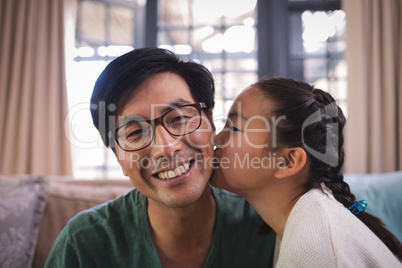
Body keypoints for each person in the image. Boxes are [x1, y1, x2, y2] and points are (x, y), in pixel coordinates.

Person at [45, 48, 276, 268]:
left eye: (179, 118)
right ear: (119, 158)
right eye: (135, 132)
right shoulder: (82, 245)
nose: (166, 147)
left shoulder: (266, 223)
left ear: (211, 124)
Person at [211, 77, 402, 267]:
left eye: (235, 128)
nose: (217, 138)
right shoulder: (303, 221)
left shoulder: (315, 246)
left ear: (287, 161)